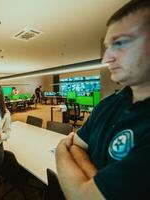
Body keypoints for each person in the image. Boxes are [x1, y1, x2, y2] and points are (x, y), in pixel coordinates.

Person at [55, 1, 150, 199]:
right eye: (107, 47)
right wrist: (96, 180)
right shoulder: (108, 103)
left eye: (120, 43)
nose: (106, 58)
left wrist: (60, 150)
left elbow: (82, 196)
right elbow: (78, 146)